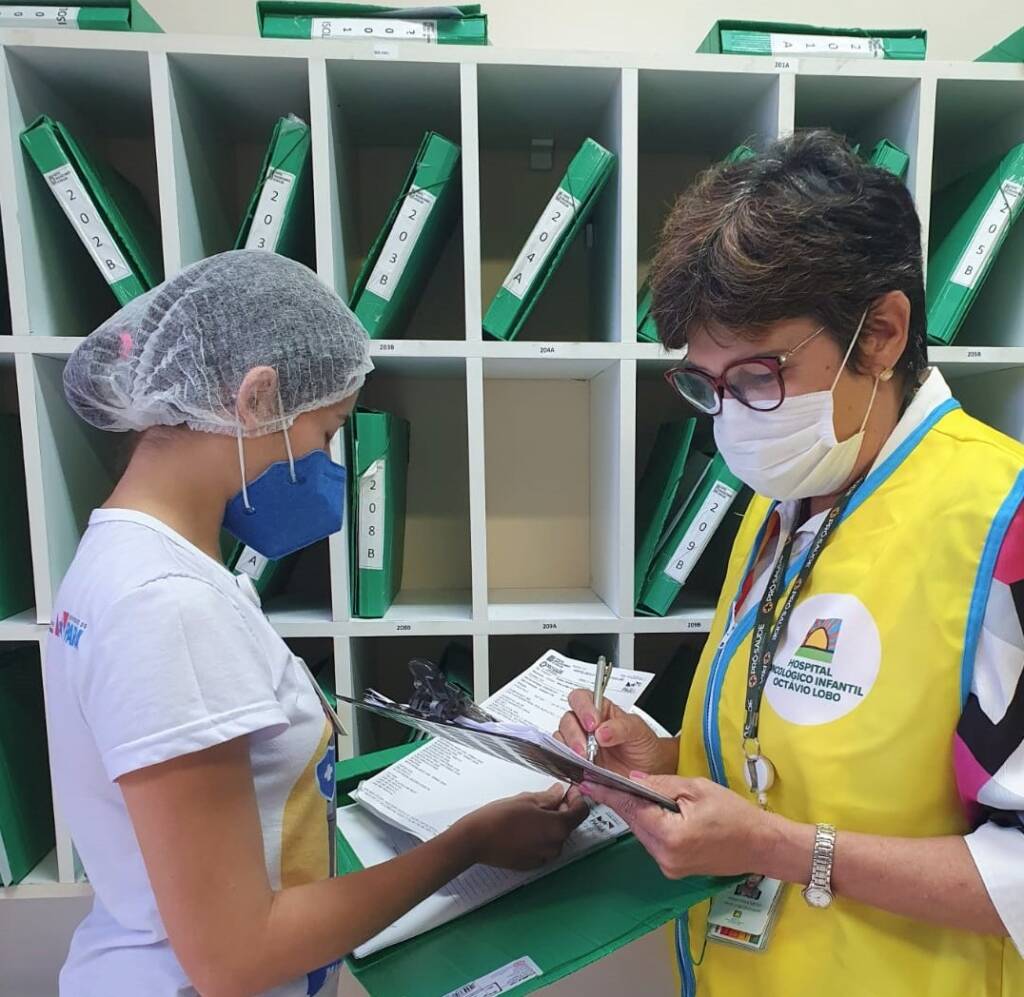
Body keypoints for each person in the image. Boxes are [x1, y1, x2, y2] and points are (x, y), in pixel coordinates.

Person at [45, 251, 588, 997]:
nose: (330, 464)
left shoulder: (129, 556)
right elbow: (236, 958)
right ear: (257, 399)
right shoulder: (166, 604)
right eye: (329, 432)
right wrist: (470, 842)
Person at [559, 131, 1024, 995]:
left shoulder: (1003, 526)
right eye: (706, 383)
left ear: (881, 333)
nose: (731, 420)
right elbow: (790, 759)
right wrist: (661, 763)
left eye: (758, 375)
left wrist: (779, 849)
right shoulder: (793, 491)